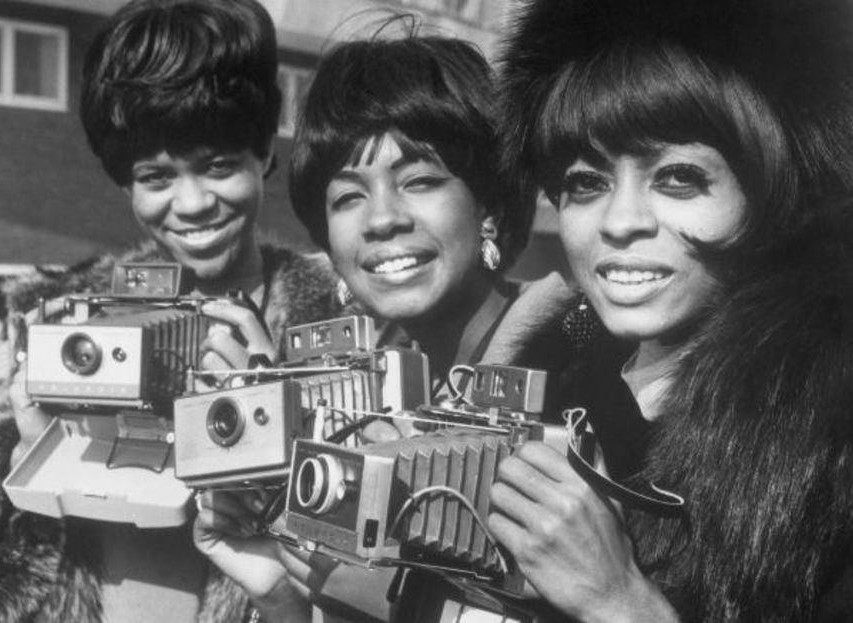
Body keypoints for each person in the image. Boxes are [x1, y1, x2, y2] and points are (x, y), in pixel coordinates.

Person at [487, 0, 853, 621]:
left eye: (677, 179)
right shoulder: (555, 390)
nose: (618, 223)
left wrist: (619, 602)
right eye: (586, 182)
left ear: (775, 194)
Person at [0, 1, 346, 621]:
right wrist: (25, 458)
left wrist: (274, 426)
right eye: (156, 177)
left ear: (264, 153)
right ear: (124, 184)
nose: (192, 204)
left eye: (218, 166)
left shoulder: (333, 326)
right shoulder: (55, 325)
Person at [194, 29, 577, 623]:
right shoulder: (362, 399)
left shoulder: (581, 372)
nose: (382, 220)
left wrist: (393, 601)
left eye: (420, 181)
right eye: (347, 197)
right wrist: (279, 593)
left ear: (490, 206)